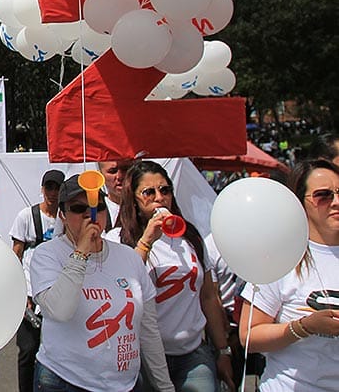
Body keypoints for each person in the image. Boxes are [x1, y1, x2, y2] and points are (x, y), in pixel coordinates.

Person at [30, 174, 174, 392]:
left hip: (124, 384)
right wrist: (82, 252)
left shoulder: (129, 258)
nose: (90, 214)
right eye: (78, 209)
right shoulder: (47, 254)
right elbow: (59, 310)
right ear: (63, 215)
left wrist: (165, 386)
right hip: (66, 380)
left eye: (98, 206)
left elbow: (148, 328)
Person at [108, 160, 234, 391]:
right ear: (133, 200)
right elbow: (122, 289)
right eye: (148, 192)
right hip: (143, 355)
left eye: (165, 190)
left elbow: (208, 297)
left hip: (192, 353)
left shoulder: (191, 237)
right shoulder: (118, 240)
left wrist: (223, 350)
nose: (159, 197)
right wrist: (146, 241)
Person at [239, 160, 339, 391]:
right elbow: (248, 336)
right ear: (300, 203)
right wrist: (304, 327)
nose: (335, 202)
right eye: (323, 196)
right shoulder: (280, 257)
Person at [8, 169, 63, 392]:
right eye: (48, 187)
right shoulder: (26, 216)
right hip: (30, 293)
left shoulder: (68, 215)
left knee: (58, 351)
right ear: (42, 189)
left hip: (57, 291)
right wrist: (19, 292)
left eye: (57, 187)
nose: (52, 192)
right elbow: (16, 254)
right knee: (28, 349)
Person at [98, 159, 134, 228]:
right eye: (112, 171)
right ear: (101, 175)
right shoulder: (94, 211)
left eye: (126, 169)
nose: (120, 176)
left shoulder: (149, 207)